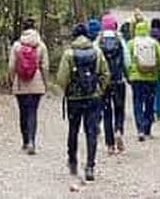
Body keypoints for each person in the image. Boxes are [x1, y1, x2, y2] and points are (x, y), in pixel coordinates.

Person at [57, 22, 110, 182]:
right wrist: (98, 89)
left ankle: (73, 161)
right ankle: (90, 166)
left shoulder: (68, 54)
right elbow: (105, 74)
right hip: (93, 98)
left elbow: (61, 78)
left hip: (74, 99)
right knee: (91, 132)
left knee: (73, 130)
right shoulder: (97, 52)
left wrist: (68, 89)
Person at [9, 17, 49, 155]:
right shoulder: (41, 45)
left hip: (20, 83)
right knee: (33, 112)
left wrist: (12, 79)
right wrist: (45, 82)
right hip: (36, 82)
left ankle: (25, 141)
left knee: (23, 112)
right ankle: (32, 140)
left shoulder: (16, 45)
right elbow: (45, 66)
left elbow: (12, 66)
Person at [127, 20, 160, 141]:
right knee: (149, 103)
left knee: (137, 103)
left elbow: (126, 61)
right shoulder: (154, 43)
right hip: (151, 78)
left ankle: (140, 129)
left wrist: (129, 74)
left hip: (136, 79)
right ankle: (148, 129)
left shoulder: (131, 43)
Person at [99, 13, 129, 154]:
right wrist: (126, 75)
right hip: (118, 80)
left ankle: (110, 144)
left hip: (104, 83)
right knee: (119, 108)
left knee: (106, 112)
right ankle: (118, 130)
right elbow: (127, 61)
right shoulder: (120, 40)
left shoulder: (98, 41)